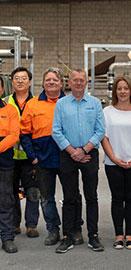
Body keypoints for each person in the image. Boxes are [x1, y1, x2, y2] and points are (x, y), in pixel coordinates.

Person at [52, 68, 105, 253]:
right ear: (69, 82)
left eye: (82, 80)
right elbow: (56, 131)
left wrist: (83, 150)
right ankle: (67, 236)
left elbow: (100, 130)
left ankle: (93, 236)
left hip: (89, 154)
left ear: (86, 82)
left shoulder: (95, 103)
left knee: (92, 196)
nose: (79, 83)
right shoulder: (61, 104)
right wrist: (73, 151)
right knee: (69, 197)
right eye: (75, 80)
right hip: (68, 155)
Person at [20, 68, 67, 246]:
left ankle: (72, 229)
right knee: (47, 198)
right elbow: (24, 134)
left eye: (55, 80)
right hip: (43, 159)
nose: (51, 83)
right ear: (43, 83)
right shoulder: (32, 104)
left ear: (61, 83)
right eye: (48, 80)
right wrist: (33, 157)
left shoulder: (69, 102)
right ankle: (53, 229)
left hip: (66, 157)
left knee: (71, 196)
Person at [102, 76, 131, 250]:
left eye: (125, 88)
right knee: (117, 198)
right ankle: (118, 235)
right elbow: (104, 137)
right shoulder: (107, 112)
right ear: (115, 92)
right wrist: (114, 158)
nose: (122, 92)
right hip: (113, 163)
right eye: (119, 89)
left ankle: (129, 235)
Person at [4, 67, 40, 238]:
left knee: (33, 190)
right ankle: (14, 223)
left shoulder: (37, 103)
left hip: (30, 155)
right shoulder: (5, 102)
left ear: (30, 81)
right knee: (11, 191)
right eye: (16, 78)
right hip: (9, 155)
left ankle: (31, 225)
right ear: (11, 82)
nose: (20, 81)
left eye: (23, 78)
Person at [0, 76, 20, 253]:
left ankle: (7, 238)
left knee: (5, 200)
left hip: (4, 163)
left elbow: (14, 135)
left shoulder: (11, 110)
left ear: (1, 90)